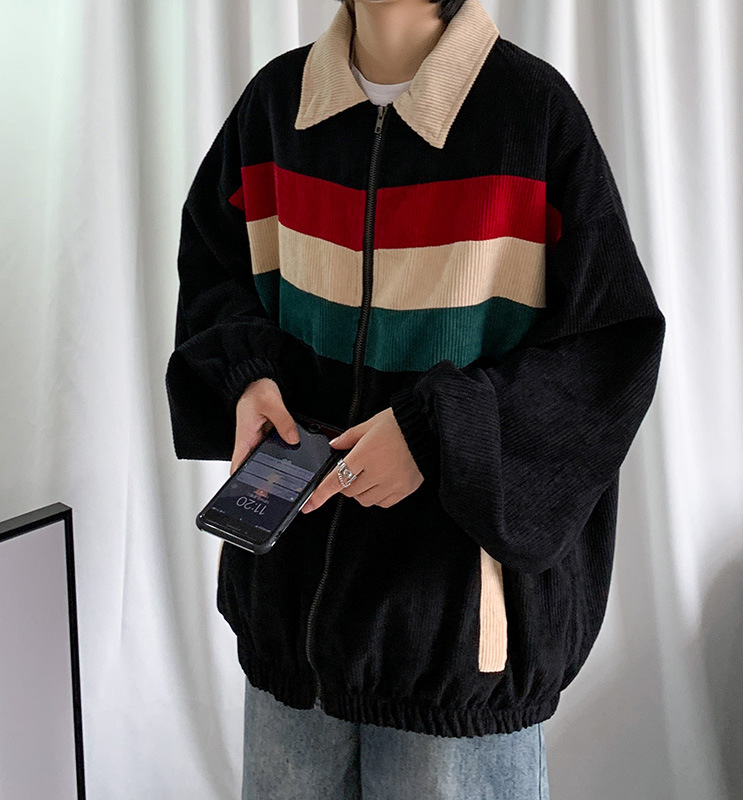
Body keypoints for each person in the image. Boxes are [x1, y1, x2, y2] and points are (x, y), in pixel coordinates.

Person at [165, 0, 666, 797]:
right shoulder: (276, 109)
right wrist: (247, 378)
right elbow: (215, 272)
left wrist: (436, 435)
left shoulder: (530, 115)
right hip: (291, 625)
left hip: (454, 642)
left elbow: (608, 356)